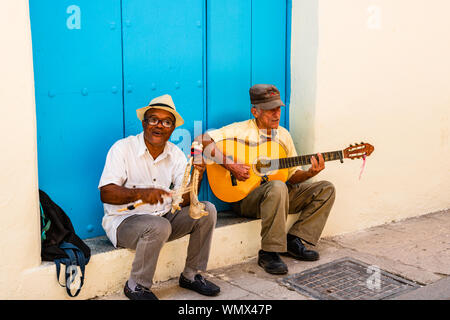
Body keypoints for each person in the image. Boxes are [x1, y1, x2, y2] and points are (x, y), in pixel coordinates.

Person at [195, 84, 336, 275]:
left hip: (278, 196)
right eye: (270, 110)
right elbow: (201, 139)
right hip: (246, 198)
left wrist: (310, 173)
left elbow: (293, 176)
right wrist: (232, 166)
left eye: (278, 108)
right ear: (255, 111)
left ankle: (294, 240)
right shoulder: (240, 130)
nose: (276, 114)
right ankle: (269, 252)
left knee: (326, 188)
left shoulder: (283, 135)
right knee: (278, 187)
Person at [98, 94, 220, 300]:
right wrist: (141, 194)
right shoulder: (123, 148)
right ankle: (136, 285)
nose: (159, 126)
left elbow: (187, 201)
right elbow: (106, 193)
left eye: (166, 122)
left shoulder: (175, 154)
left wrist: (198, 175)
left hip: (163, 218)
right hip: (124, 223)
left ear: (172, 128)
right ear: (144, 123)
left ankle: (192, 275)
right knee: (158, 225)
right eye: (153, 119)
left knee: (206, 210)